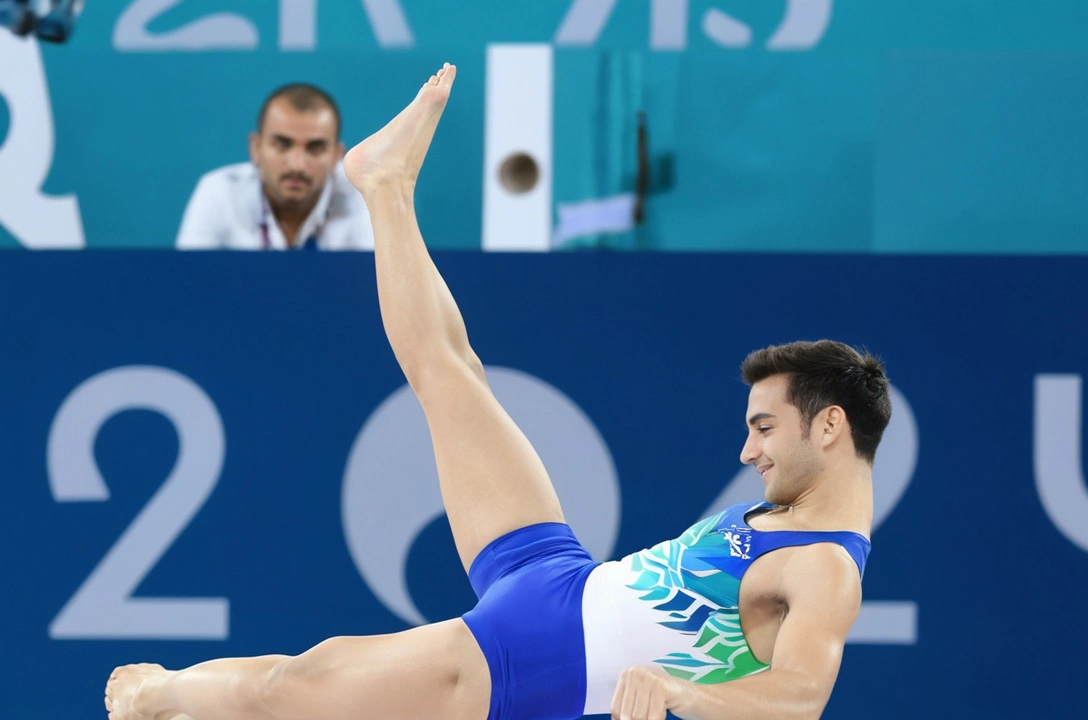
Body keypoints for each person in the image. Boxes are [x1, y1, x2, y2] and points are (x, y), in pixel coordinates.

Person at [105, 63, 890, 720]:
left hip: (528, 664)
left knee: (299, 686)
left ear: (828, 429)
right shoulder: (786, 514)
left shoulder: (824, 565)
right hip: (556, 575)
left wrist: (677, 690)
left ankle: (159, 697)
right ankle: (385, 187)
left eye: (764, 427)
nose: (746, 448)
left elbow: (799, 698)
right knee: (450, 371)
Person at [175, 83, 373, 251]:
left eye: (315, 148)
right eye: (282, 145)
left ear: (336, 157)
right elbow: (188, 284)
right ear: (256, 148)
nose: (297, 165)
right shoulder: (219, 192)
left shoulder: (365, 197)